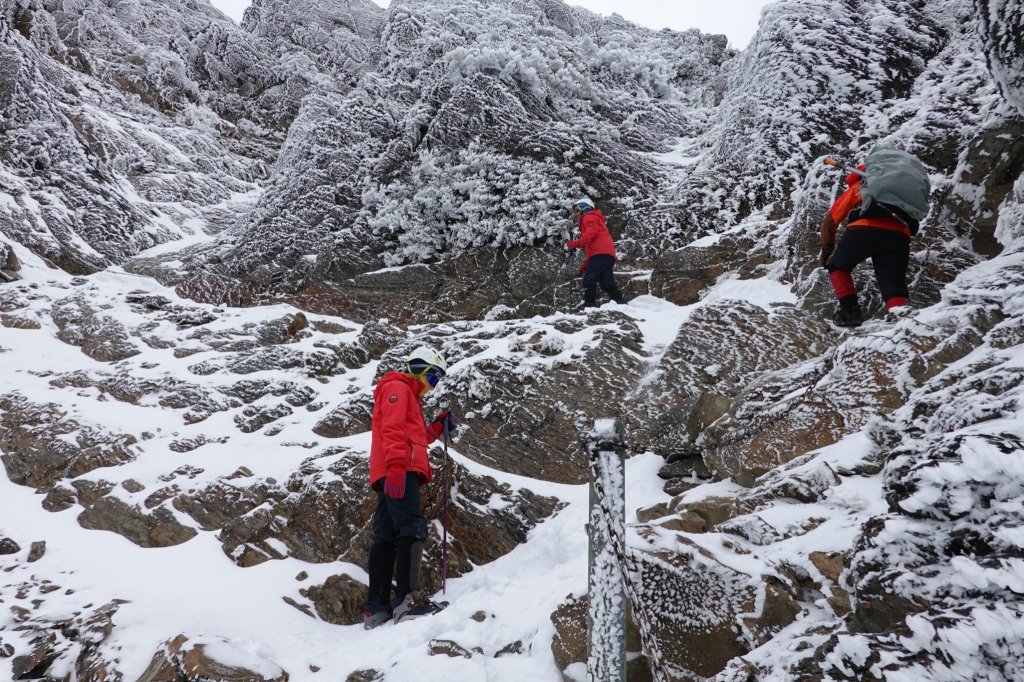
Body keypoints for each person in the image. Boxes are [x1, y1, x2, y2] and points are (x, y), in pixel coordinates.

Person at [362, 345, 458, 628]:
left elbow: (414, 438)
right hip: (399, 470)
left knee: (387, 533)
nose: (434, 386)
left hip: (395, 469)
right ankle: (407, 599)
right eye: (435, 378)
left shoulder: (409, 397)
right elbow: (391, 429)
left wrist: (437, 428)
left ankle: (376, 607)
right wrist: (395, 467)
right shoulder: (398, 388)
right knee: (412, 526)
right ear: (422, 370)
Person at [819, 164, 916, 327]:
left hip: (863, 231)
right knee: (892, 282)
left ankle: (850, 313)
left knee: (838, 267)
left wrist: (826, 249)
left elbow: (831, 220)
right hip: (899, 235)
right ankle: (902, 323)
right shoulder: (904, 192)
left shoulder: (861, 185)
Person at [565, 197, 625, 308]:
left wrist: (576, 243)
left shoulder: (589, 217)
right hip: (606, 255)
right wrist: (586, 264)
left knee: (589, 278)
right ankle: (621, 303)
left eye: (576, 212)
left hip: (600, 254)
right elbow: (593, 248)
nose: (575, 216)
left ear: (584, 209)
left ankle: (589, 305)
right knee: (606, 283)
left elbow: (592, 232)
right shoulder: (593, 220)